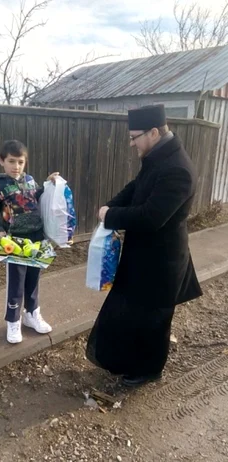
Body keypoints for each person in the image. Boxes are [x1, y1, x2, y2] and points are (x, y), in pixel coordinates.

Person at [86, 104, 203, 387]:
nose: (131, 143)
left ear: (153, 132)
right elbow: (136, 188)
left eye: (134, 136)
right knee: (129, 313)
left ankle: (149, 370)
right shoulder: (158, 157)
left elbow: (151, 217)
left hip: (162, 262)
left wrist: (110, 216)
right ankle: (127, 363)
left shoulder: (178, 169)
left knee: (153, 319)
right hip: (142, 256)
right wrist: (111, 205)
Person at [0, 140, 59, 344]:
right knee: (16, 283)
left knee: (33, 279)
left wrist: (48, 183)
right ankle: (13, 320)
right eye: (11, 161)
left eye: (20, 162)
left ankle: (32, 314)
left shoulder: (29, 180)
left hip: (36, 238)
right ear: (2, 161)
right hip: (15, 241)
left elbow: (36, 197)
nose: (16, 166)